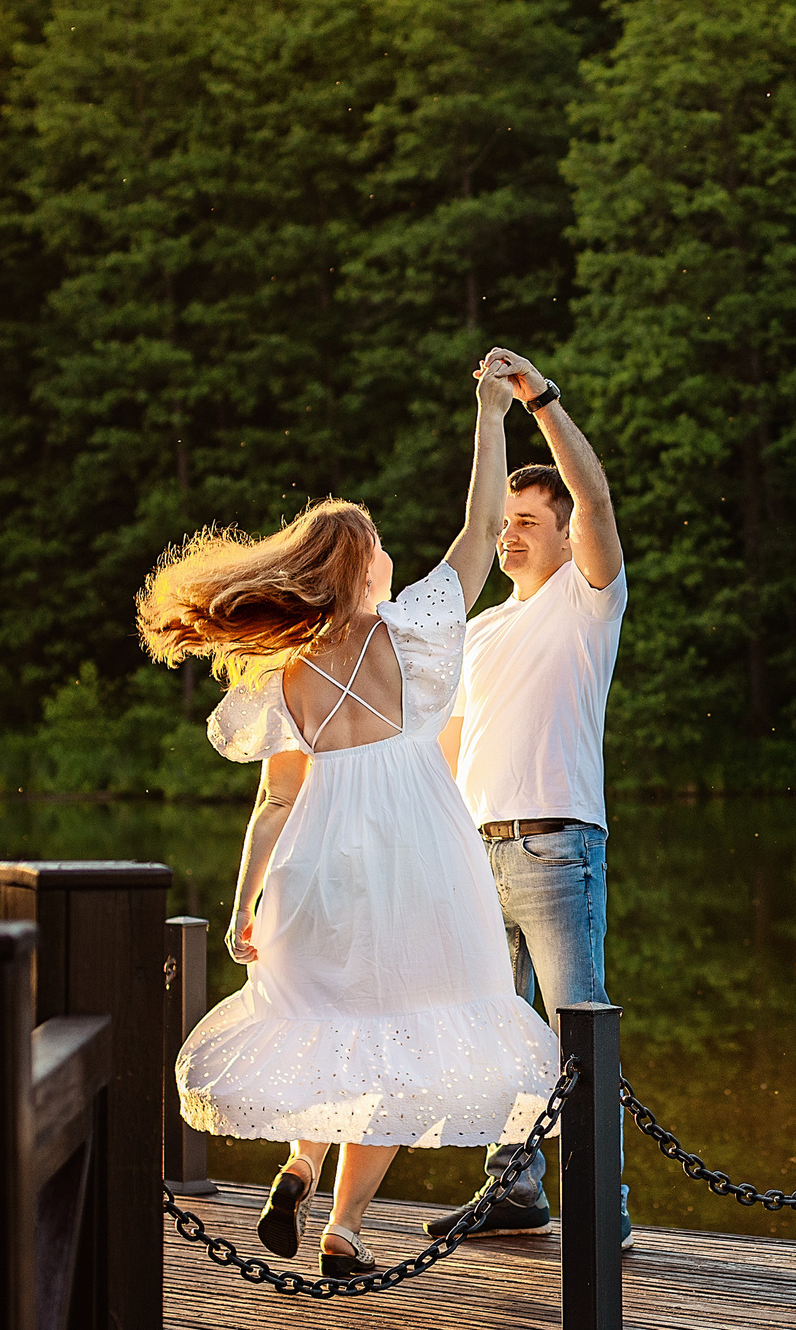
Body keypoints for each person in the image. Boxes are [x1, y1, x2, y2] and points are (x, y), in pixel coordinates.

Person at [136, 370, 558, 1273]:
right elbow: (486, 526)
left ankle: (298, 1164)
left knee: (335, 1024)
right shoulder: (411, 632)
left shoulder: (289, 676)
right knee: (404, 1041)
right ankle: (344, 1228)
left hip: (320, 862)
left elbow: (275, 801)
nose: (395, 557)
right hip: (419, 860)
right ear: (364, 566)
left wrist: (246, 901)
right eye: (381, 548)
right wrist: (489, 412)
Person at [426, 346, 632, 1244]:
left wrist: (536, 399)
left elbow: (596, 500)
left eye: (523, 520)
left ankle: (603, 1210)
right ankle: (512, 1189)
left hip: (556, 849)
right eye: (502, 520)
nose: (507, 533)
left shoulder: (587, 604)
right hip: (475, 854)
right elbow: (444, 747)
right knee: (495, 1038)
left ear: (559, 534)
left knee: (573, 1034)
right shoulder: (480, 630)